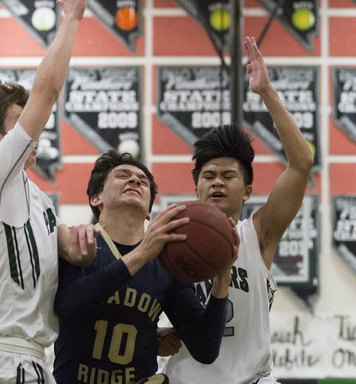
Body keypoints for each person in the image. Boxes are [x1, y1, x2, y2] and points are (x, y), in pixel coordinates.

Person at [0, 0, 100, 383]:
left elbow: (68, 247)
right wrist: (71, 19)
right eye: (20, 122)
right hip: (4, 358)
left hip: (18, 357)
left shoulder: (33, 198)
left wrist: (83, 248)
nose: (36, 129)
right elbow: (49, 88)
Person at [163, 37, 314, 383]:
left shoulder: (258, 235)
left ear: (247, 190)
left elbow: (302, 162)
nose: (217, 182)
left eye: (228, 175)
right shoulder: (168, 240)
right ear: (195, 186)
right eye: (209, 175)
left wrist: (267, 93)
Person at [53, 151, 240, 383]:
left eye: (142, 181)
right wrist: (141, 255)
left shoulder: (167, 262)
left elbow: (205, 348)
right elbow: (68, 309)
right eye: (122, 175)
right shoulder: (79, 243)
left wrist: (223, 277)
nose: (134, 181)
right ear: (96, 198)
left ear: (149, 210)